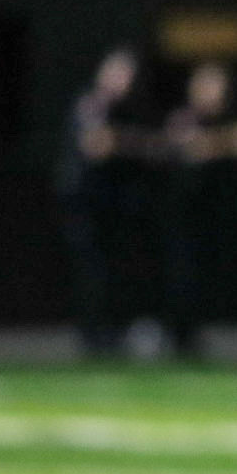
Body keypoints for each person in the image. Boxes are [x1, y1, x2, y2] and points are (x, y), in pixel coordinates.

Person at [162, 61, 237, 356]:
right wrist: (230, 141)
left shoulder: (233, 117)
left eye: (218, 86)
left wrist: (228, 142)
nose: (213, 92)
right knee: (183, 277)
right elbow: (194, 147)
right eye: (207, 85)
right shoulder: (184, 119)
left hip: (223, 214)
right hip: (185, 216)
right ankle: (180, 339)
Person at [56, 48, 158, 357]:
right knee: (92, 270)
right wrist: (131, 142)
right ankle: (92, 335)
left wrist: (124, 141)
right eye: (116, 72)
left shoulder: (130, 110)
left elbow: (149, 146)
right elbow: (96, 145)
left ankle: (113, 333)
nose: (121, 80)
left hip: (114, 203)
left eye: (127, 75)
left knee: (118, 270)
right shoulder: (92, 103)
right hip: (84, 202)